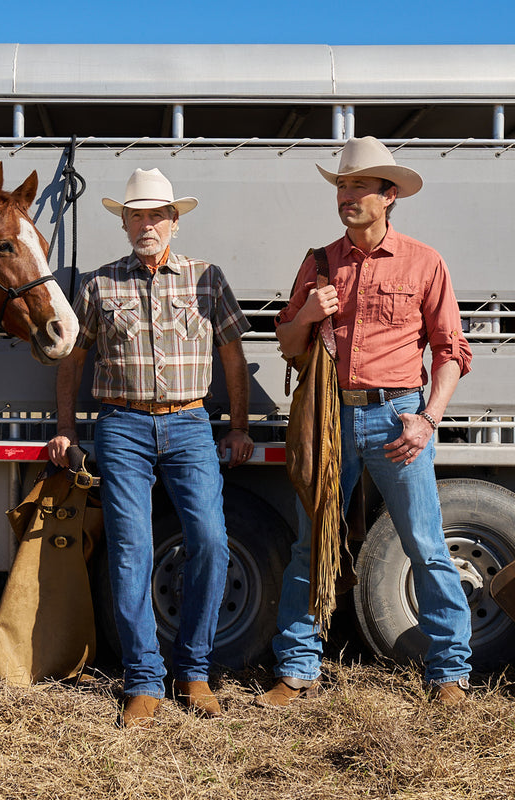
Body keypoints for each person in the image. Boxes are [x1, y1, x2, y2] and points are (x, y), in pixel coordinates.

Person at [259, 136, 473, 708]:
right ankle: (298, 668)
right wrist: (308, 313)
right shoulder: (319, 262)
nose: (346, 196)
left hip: (398, 418)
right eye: (342, 185)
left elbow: (451, 351)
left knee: (425, 544)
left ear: (389, 195)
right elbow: (288, 343)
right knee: (311, 544)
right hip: (329, 419)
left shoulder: (425, 262)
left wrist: (428, 419)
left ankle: (449, 672)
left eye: (359, 186)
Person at [46, 168, 253, 729]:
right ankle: (142, 679)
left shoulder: (207, 278)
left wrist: (238, 427)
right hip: (122, 427)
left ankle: (193, 672)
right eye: (136, 215)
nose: (147, 225)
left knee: (210, 541)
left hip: (190, 424)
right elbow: (73, 360)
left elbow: (233, 354)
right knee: (130, 551)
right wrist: (65, 427)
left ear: (174, 222)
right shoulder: (99, 284)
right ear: (123, 222)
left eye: (157, 215)